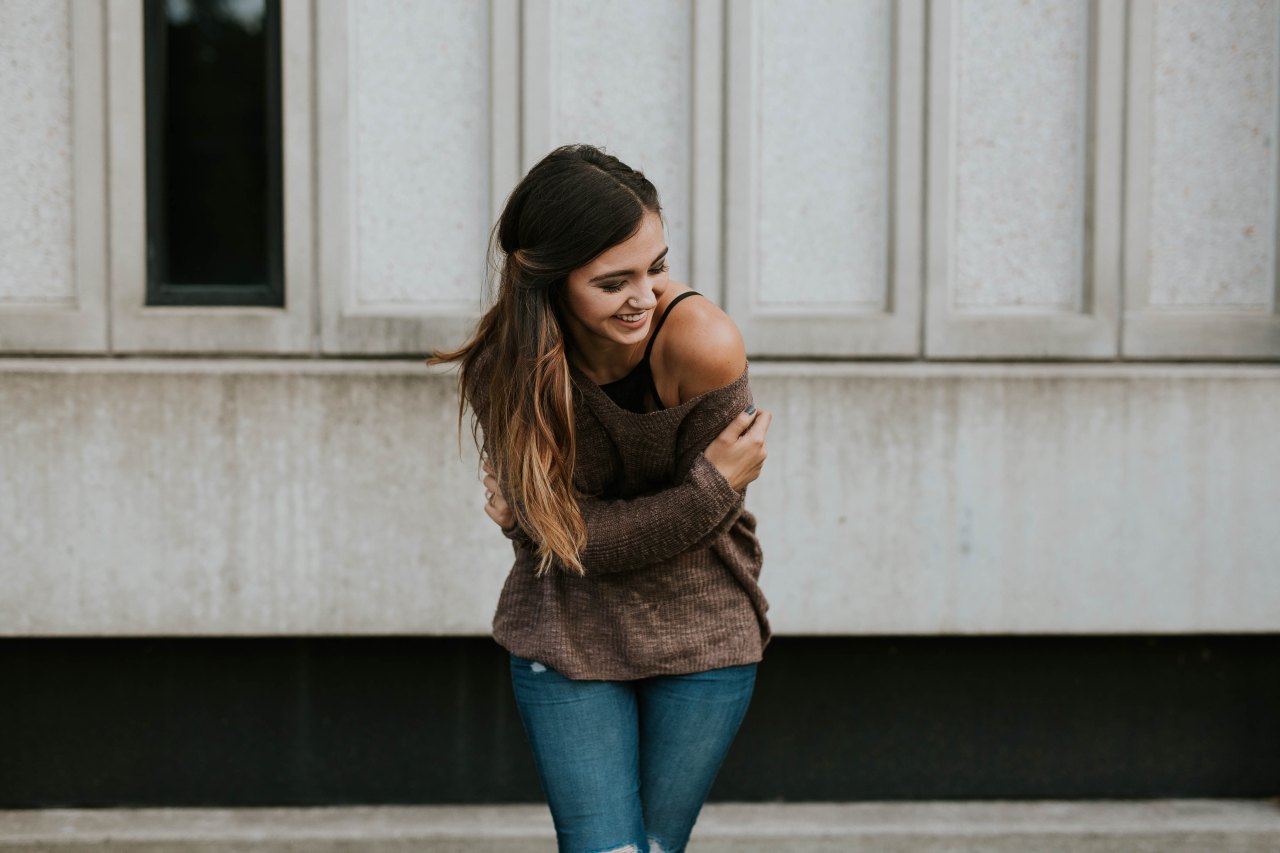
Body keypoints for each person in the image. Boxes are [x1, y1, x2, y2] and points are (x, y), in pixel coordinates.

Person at [428, 143, 772, 853]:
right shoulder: (507, 367)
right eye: (613, 281)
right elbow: (565, 537)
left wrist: (546, 524)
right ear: (546, 279)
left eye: (657, 266)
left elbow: (575, 530)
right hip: (565, 629)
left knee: (650, 848)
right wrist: (706, 487)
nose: (644, 296)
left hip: (701, 631)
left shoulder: (702, 343)